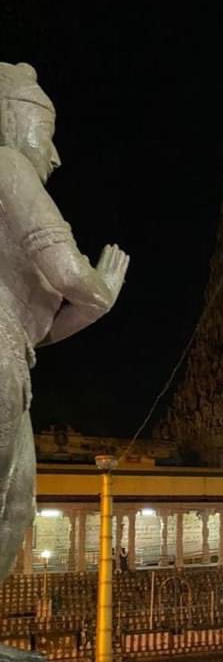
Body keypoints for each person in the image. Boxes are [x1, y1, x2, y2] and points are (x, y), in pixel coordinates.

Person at [0, 62, 129, 583]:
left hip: (15, 359)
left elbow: (45, 335)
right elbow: (68, 269)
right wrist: (101, 290)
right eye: (46, 135)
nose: (53, 154)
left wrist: (98, 300)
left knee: (16, 508)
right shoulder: (7, 162)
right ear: (9, 122)